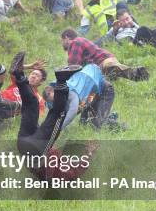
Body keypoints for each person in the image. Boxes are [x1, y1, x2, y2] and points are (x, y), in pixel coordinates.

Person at [10, 52, 97, 181]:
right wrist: (88, 153)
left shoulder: (63, 175)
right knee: (32, 104)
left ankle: (61, 80)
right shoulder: (61, 165)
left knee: (58, 114)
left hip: (36, 152)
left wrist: (89, 153)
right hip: (25, 143)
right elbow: (75, 168)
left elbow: (75, 173)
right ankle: (19, 73)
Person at [43, 64, 120, 131]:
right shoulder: (56, 90)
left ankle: (121, 126)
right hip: (91, 94)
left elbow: (72, 112)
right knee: (83, 123)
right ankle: (110, 117)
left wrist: (59, 129)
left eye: (54, 99)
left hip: (105, 90)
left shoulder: (70, 91)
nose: (55, 100)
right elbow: (55, 113)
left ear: (53, 91)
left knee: (97, 124)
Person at [61, 28, 148, 81]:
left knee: (112, 68)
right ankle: (138, 75)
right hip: (101, 65)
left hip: (103, 62)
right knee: (111, 75)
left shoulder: (75, 42)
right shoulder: (80, 41)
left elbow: (73, 65)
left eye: (62, 40)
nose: (62, 43)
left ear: (66, 38)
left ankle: (138, 73)